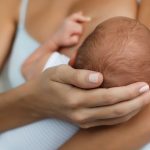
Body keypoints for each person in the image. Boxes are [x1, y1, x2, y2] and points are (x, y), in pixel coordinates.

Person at [0, 0, 149, 149]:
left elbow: (27, 67)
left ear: (72, 59)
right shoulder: (117, 115)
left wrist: (54, 41)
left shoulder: (56, 67)